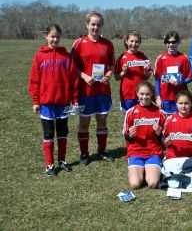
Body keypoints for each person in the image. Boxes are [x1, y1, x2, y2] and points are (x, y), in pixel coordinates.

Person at [28, 24, 76, 176]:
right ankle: (49, 164)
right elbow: (34, 81)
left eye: (57, 37)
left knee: (63, 132)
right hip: (47, 103)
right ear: (46, 36)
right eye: (52, 36)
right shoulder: (40, 56)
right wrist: (36, 101)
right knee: (48, 134)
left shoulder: (67, 56)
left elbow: (74, 80)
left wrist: (74, 100)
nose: (55, 39)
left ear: (61, 37)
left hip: (63, 103)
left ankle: (62, 160)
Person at [71, 11, 115, 165]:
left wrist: (108, 75)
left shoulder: (108, 43)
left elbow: (112, 65)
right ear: (87, 25)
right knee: (84, 122)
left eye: (98, 24)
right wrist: (84, 76)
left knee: (102, 121)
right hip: (86, 91)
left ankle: (102, 151)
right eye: (93, 24)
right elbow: (72, 66)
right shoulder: (79, 43)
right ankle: (84, 154)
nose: (95, 27)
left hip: (103, 91)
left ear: (102, 26)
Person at [123, 81, 166, 189]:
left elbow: (165, 140)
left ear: (152, 95)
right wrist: (130, 135)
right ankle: (140, 170)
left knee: (152, 183)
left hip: (153, 152)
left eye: (147, 94)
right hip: (136, 152)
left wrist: (159, 133)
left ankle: (148, 170)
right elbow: (126, 136)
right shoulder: (130, 112)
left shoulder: (160, 113)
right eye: (142, 94)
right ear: (137, 93)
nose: (144, 97)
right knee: (135, 184)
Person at [154, 31, 192, 115]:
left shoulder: (183, 58)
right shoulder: (160, 58)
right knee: (166, 123)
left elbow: (190, 77)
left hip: (181, 98)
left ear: (178, 42)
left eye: (173, 42)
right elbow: (157, 79)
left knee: (180, 121)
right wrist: (158, 97)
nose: (171, 45)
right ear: (165, 43)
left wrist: (181, 82)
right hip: (165, 97)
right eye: (168, 42)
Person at [115, 30, 152, 112]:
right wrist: (123, 73)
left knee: (142, 117)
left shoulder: (143, 56)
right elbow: (116, 77)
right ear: (126, 41)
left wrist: (146, 71)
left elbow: (147, 77)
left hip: (142, 94)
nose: (134, 44)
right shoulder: (121, 57)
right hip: (127, 94)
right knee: (129, 120)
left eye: (137, 42)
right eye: (131, 41)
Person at [163, 90, 192, 160]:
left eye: (186, 103)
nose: (183, 106)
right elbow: (164, 139)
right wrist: (166, 142)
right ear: (176, 104)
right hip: (173, 157)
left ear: (191, 104)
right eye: (181, 103)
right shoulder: (170, 119)